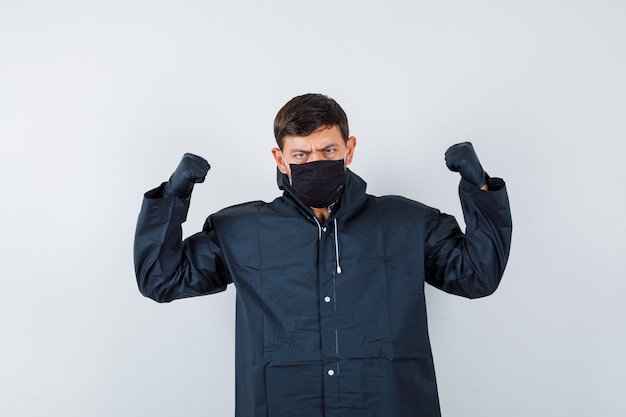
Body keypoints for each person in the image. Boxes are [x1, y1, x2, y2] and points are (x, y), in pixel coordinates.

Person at [133, 93, 512, 417]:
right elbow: (161, 279)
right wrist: (172, 197)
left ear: (349, 150)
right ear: (280, 159)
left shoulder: (405, 222)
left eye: (328, 150)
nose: (315, 162)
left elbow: (477, 275)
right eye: (301, 154)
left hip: (384, 403)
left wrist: (479, 187)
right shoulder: (242, 230)